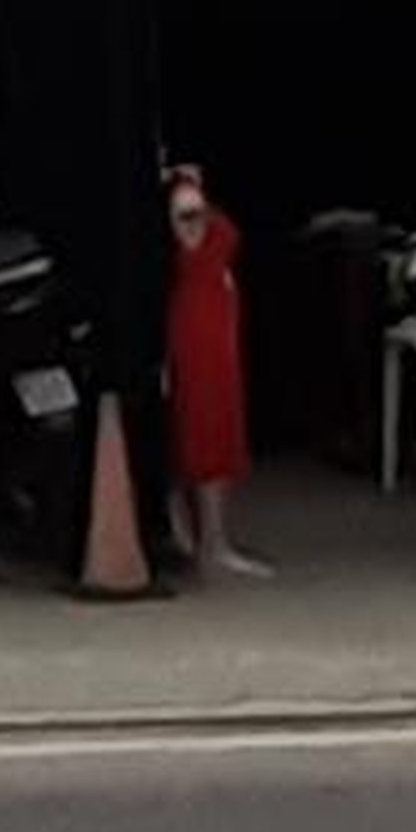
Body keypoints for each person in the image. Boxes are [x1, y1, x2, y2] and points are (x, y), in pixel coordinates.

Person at [160, 160, 268, 582]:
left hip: (211, 325)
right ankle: (212, 543)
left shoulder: (186, 199)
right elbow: (190, 224)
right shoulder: (185, 199)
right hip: (199, 332)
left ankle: (195, 536)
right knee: (207, 432)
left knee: (207, 429)